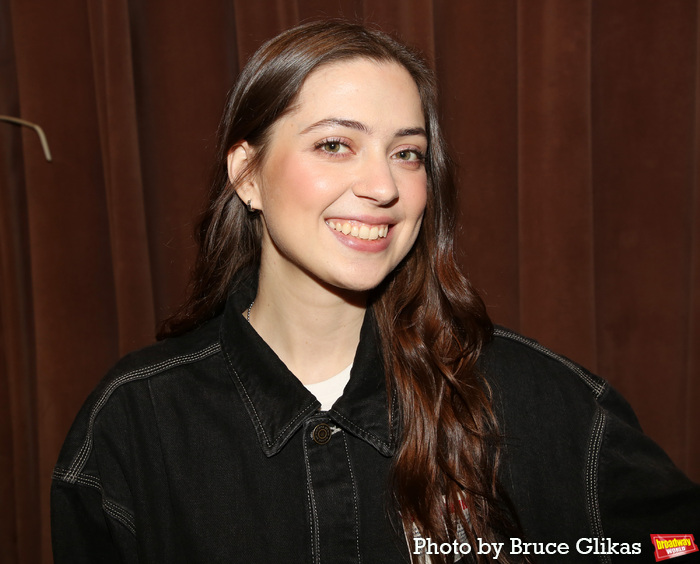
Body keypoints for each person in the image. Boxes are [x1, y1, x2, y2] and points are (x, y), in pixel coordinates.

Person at [51, 19, 699, 563]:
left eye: (407, 153)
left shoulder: (539, 401)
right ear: (247, 174)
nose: (382, 186)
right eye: (335, 144)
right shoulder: (134, 425)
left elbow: (678, 544)